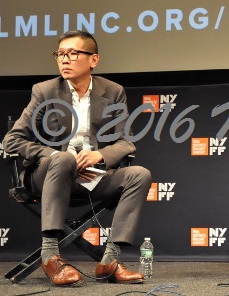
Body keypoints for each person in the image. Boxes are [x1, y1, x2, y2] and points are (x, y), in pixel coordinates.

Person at [3, 31, 152, 287]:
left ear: (93, 60)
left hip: (91, 176)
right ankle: (50, 255)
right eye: (60, 54)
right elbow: (12, 140)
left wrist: (100, 155)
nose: (65, 60)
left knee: (139, 174)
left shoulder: (113, 92)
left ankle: (110, 261)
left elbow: (126, 142)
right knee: (63, 160)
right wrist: (55, 155)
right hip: (47, 174)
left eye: (73, 53)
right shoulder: (44, 91)